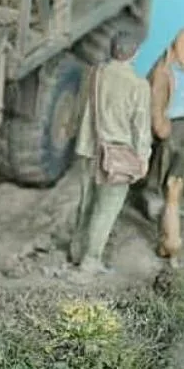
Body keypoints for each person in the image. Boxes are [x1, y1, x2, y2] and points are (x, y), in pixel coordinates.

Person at [69, 30, 152, 274]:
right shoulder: (138, 85)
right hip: (118, 155)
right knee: (106, 209)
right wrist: (143, 157)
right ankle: (90, 260)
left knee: (86, 201)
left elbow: (80, 107)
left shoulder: (95, 73)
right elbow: (141, 127)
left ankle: (76, 250)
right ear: (134, 53)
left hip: (89, 147)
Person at [136, 27, 184, 259]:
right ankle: (153, 196)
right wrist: (160, 126)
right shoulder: (163, 71)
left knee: (181, 158)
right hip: (168, 123)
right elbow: (155, 101)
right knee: (163, 160)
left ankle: (174, 191)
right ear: (177, 48)